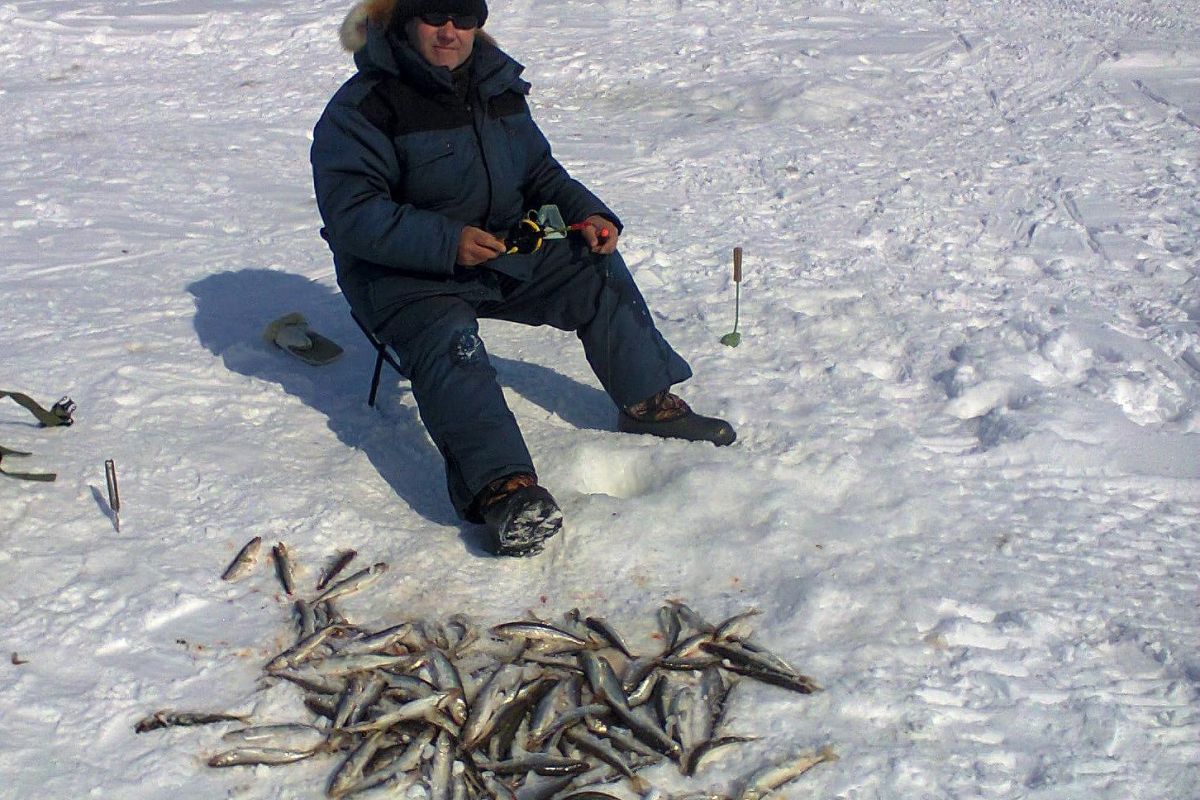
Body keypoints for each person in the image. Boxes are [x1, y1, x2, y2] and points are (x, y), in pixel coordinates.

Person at [312, 0, 735, 557]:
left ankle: (645, 401)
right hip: (403, 275)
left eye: (464, 17)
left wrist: (589, 214)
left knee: (591, 266)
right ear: (404, 21)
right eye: (435, 16)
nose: (450, 31)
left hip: (496, 252)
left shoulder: (494, 85)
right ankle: (504, 489)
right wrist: (447, 241)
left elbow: (539, 172)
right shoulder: (364, 107)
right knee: (452, 345)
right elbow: (353, 214)